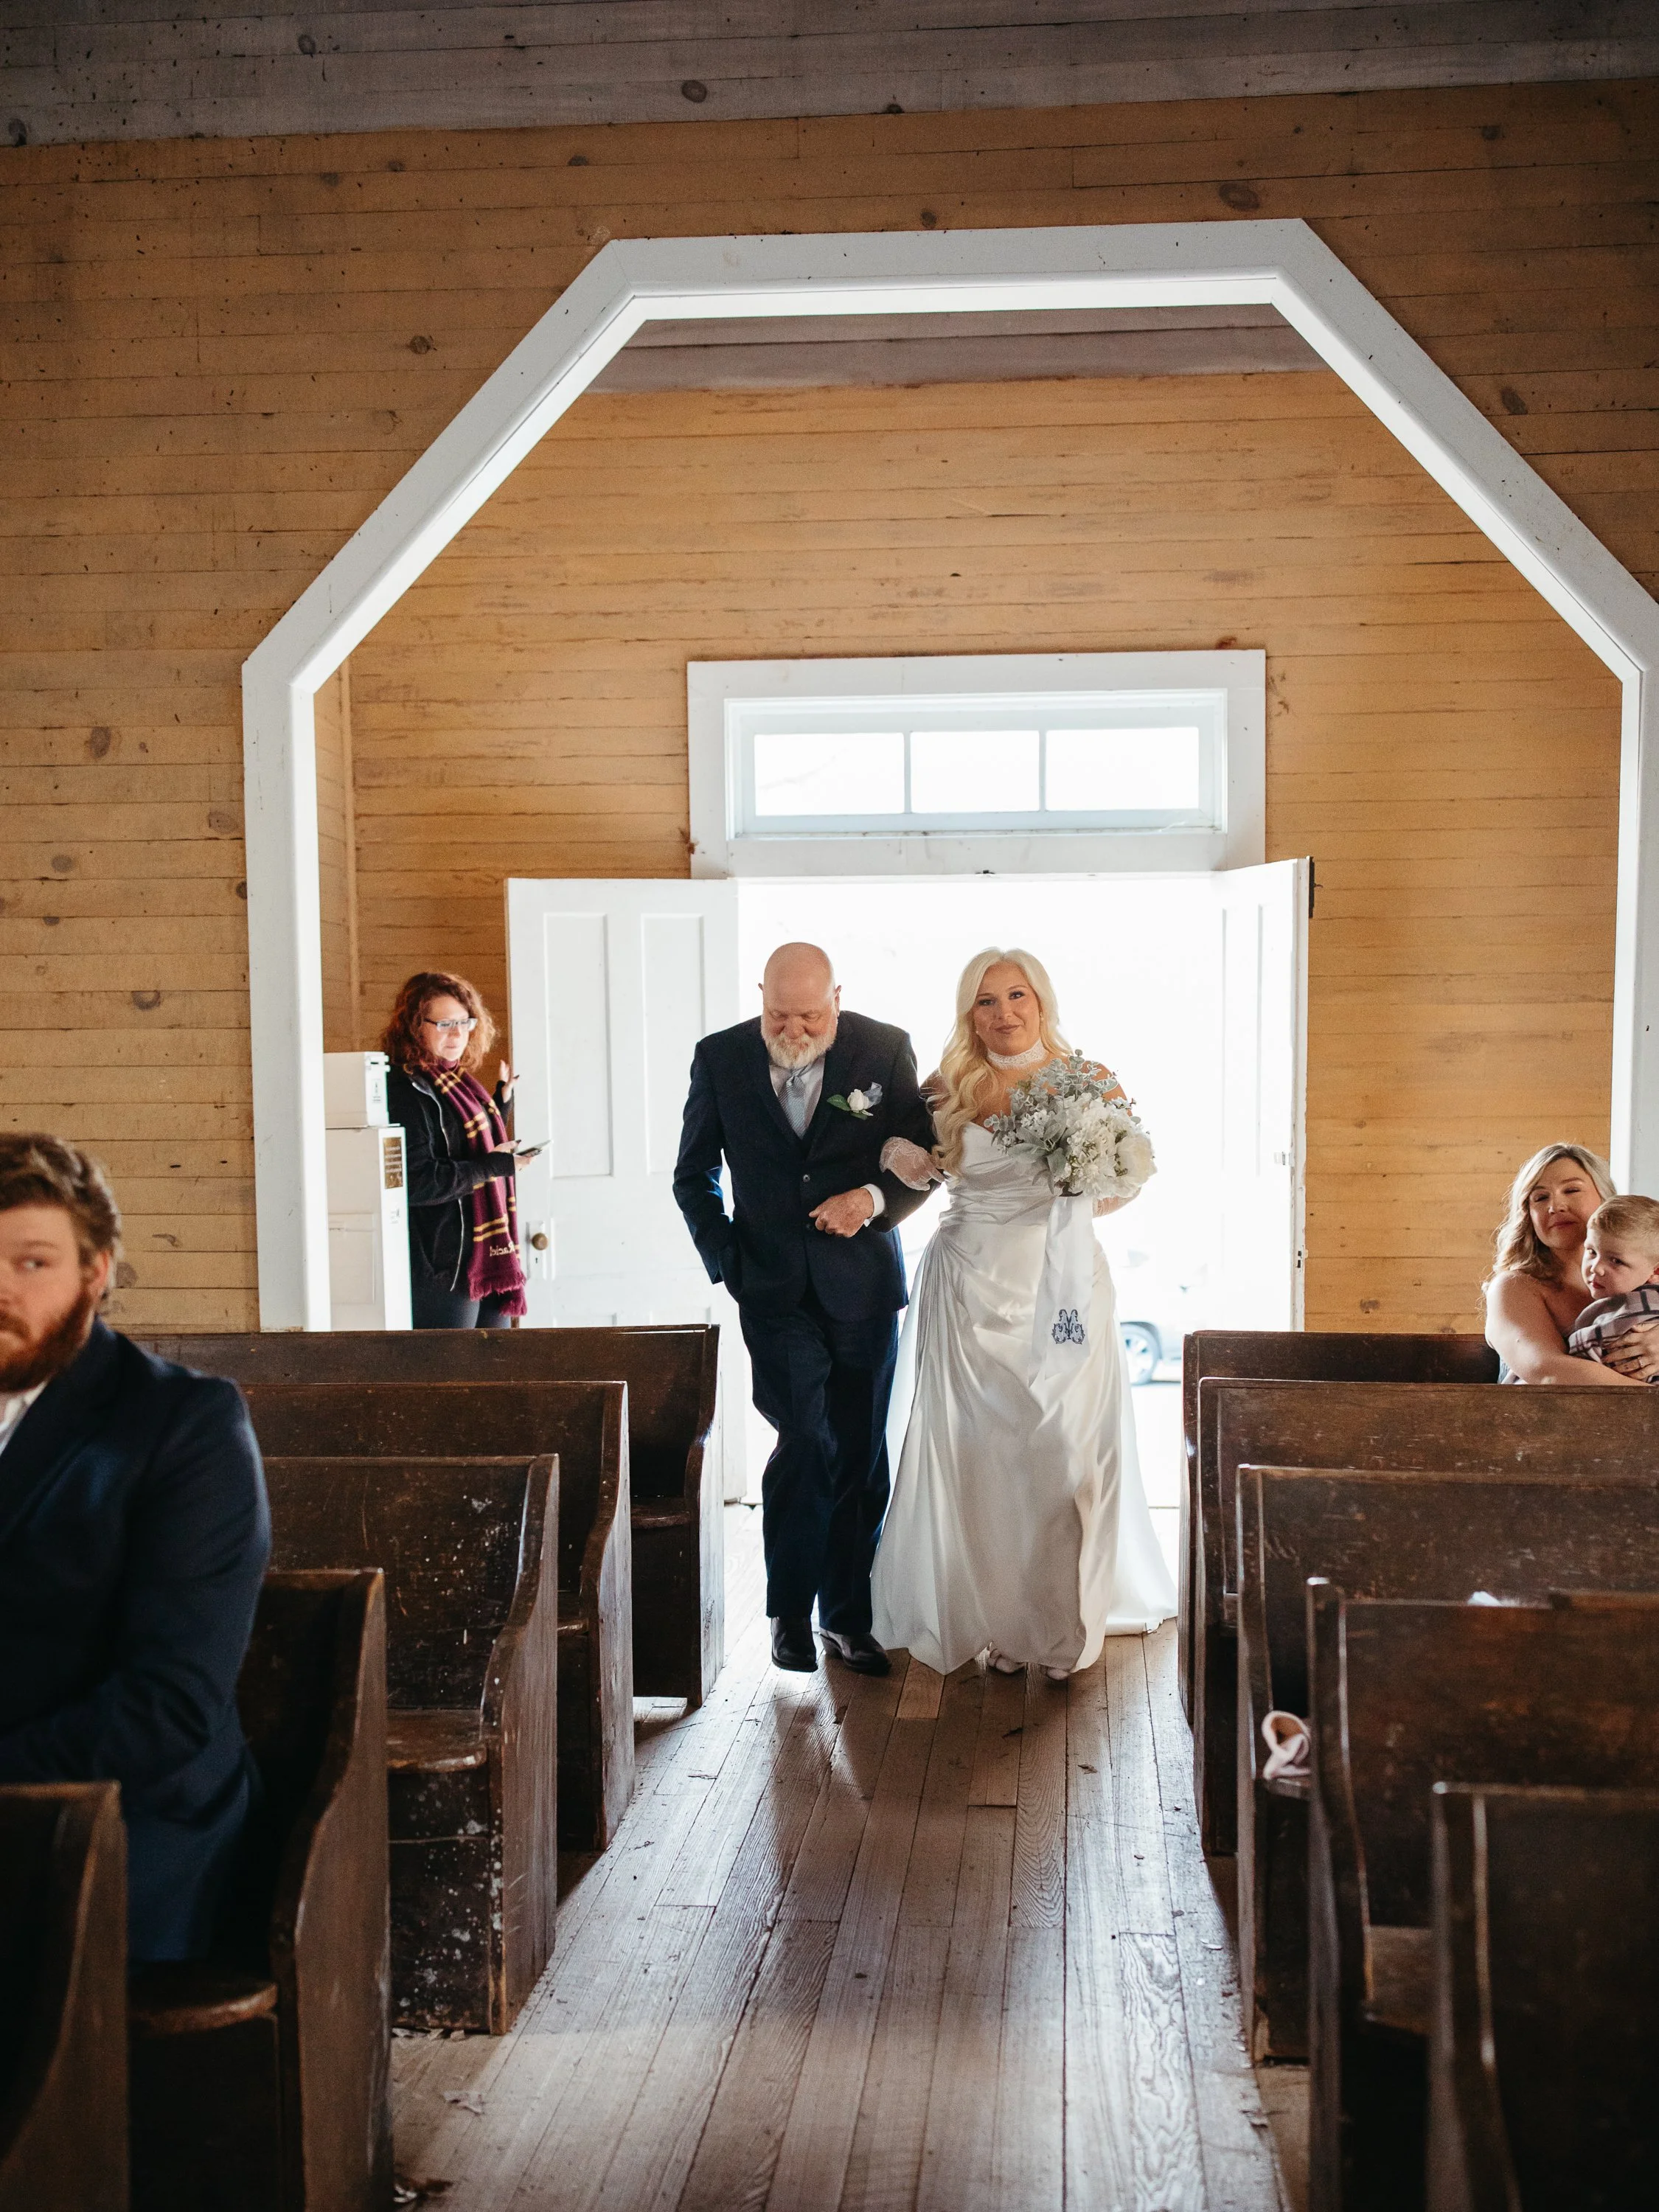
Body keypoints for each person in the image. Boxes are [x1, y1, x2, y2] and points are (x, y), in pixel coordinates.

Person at [0, 1135, 270, 1961]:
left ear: (97, 1271)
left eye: (32, 1263)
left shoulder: (182, 1426)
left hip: (122, 1810)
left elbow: (171, 1706)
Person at [871, 949, 1175, 1680]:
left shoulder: (1089, 1081)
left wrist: (1085, 1194)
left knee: (1062, 1458)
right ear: (968, 1012)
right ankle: (995, 1619)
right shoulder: (948, 1087)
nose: (1003, 1011)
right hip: (968, 1288)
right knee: (981, 1465)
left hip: (1060, 1287)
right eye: (985, 1000)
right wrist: (893, 1151)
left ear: (1041, 1001)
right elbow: (907, 1163)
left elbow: (1129, 1177)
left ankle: (1061, 1625)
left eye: (1016, 995)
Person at [673, 942, 937, 1676]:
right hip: (771, 1289)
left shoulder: (883, 1050)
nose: (794, 1027)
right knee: (806, 1438)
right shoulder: (720, 1057)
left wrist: (875, 1201)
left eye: (811, 1013)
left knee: (857, 1449)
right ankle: (789, 1612)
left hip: (862, 1286)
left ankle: (847, 1619)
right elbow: (693, 1175)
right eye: (779, 1012)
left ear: (838, 999)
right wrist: (727, 1259)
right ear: (761, 997)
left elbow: (925, 1153)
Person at [381, 969, 538, 1329]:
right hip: (444, 1265)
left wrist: (500, 1105)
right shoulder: (404, 1089)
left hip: (484, 1253)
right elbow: (419, 1182)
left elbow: (460, 1142)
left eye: (465, 1022)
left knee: (492, 1370)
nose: (457, 1034)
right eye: (444, 1024)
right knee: (456, 1373)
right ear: (414, 1025)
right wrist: (493, 1167)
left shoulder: (457, 1081)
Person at [1484, 1142, 1659, 1384]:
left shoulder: (1647, 1271)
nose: (1555, 1207)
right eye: (1541, 1198)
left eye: (1572, 1191)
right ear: (1528, 1214)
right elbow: (1547, 1372)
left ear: (1604, 1196)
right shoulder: (1513, 1287)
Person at [1567, 1194, 1659, 1377]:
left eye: (1616, 1261)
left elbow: (1583, 1352)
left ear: (1656, 1272)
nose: (1596, 1268)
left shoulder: (1627, 1316)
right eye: (1592, 1251)